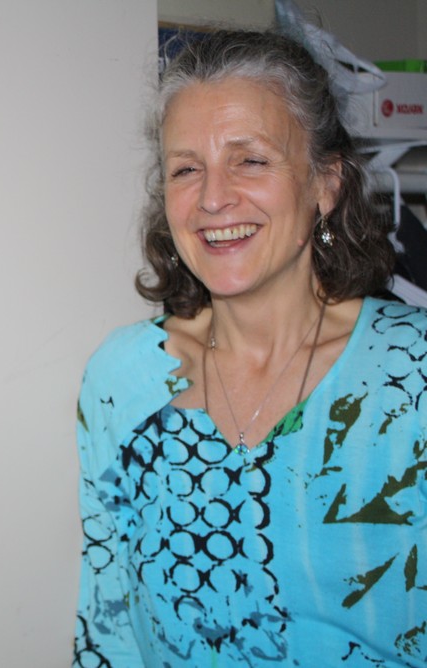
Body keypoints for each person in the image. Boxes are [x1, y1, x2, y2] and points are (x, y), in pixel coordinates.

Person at [73, 30, 426, 667]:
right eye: (187, 169)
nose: (213, 198)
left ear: (325, 185)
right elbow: (107, 632)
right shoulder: (123, 380)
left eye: (251, 160)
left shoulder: (412, 375)